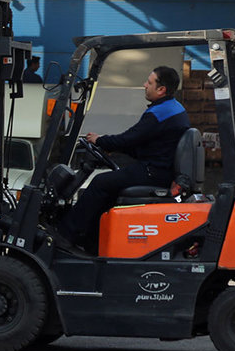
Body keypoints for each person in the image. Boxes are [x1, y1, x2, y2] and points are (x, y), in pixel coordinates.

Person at [58, 65, 189, 252]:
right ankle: (91, 242)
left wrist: (100, 140)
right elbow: (144, 145)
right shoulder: (173, 108)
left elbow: (130, 138)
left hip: (153, 172)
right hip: (158, 168)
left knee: (99, 182)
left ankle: (65, 234)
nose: (145, 85)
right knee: (108, 189)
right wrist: (114, 149)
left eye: (149, 82)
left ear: (161, 90)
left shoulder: (160, 112)